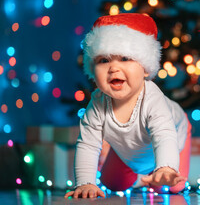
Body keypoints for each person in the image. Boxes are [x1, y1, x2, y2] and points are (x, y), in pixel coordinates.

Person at [64, 13, 192, 199]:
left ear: (145, 67)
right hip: (129, 150)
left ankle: (157, 173)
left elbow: (164, 135)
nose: (114, 68)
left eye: (125, 58)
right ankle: (142, 174)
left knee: (173, 186)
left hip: (174, 139)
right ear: (92, 69)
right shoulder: (98, 104)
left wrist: (166, 166)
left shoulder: (152, 98)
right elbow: (88, 144)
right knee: (112, 185)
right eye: (104, 60)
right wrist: (85, 183)